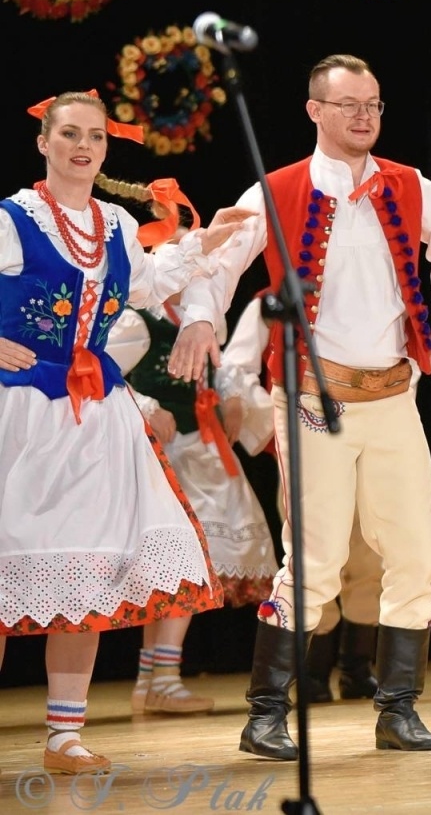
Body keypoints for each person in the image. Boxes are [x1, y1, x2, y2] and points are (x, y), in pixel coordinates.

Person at [166, 53, 431, 758]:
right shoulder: (278, 189)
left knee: (415, 551)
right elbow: (219, 260)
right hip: (313, 399)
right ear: (315, 111)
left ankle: (398, 708)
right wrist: (200, 319)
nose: (364, 116)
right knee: (314, 557)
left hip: (393, 395)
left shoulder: (409, 184)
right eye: (349, 104)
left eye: (373, 104)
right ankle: (265, 715)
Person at [0, 90, 250, 772]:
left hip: (95, 417)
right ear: (44, 143)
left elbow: (147, 282)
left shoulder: (113, 222)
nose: (83, 147)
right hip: (22, 411)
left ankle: (64, 736)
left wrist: (204, 241)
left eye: (96, 137)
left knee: (87, 570)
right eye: (70, 134)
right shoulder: (14, 218)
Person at [97, 195, 277, 716]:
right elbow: (103, 372)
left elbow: (219, 369)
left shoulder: (202, 317)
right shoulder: (135, 318)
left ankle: (156, 679)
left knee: (194, 562)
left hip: (202, 450)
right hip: (161, 454)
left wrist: (234, 398)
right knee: (178, 561)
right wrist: (149, 408)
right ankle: (160, 678)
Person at [213, 292, 383, 705]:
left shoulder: (370, 289)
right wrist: (271, 421)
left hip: (368, 439)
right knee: (312, 555)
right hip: (308, 443)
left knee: (369, 556)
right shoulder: (275, 300)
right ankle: (312, 670)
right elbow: (236, 364)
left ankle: (358, 668)